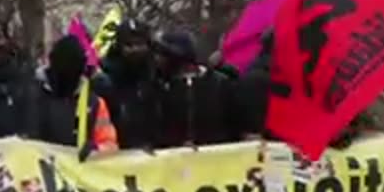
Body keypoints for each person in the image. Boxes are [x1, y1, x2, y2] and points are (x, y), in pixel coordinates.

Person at [23, 35, 117, 153]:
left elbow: (109, 144)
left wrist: (96, 149)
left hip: (79, 169)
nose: (67, 75)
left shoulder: (94, 104)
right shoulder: (31, 96)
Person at [153, 30, 238, 148]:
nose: (157, 59)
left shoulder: (220, 85)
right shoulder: (159, 88)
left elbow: (234, 129)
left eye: (161, 54)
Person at [93, 20, 160, 150]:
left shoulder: (155, 75)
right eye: (129, 45)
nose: (135, 50)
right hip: (117, 155)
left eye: (140, 44)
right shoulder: (105, 80)